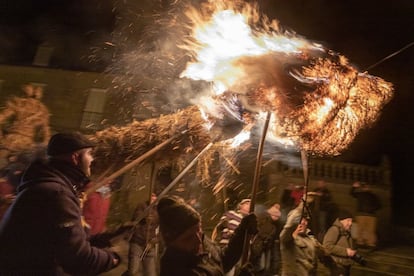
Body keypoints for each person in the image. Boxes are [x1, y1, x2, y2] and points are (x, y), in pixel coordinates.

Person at [0, 132, 120, 275]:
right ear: (75, 157)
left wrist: (104, 239)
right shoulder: (56, 193)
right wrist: (115, 258)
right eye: (89, 154)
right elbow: (78, 259)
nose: (92, 159)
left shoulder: (47, 185)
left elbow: (59, 239)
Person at [157, 195, 257, 276]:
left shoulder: (202, 242)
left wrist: (242, 232)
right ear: (172, 242)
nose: (198, 240)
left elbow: (223, 260)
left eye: (199, 230)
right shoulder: (174, 269)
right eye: (188, 238)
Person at [279, 194, 322, 276]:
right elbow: (289, 226)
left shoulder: (311, 239)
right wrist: (302, 206)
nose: (303, 223)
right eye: (300, 220)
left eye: (305, 220)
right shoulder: (287, 240)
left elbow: (324, 255)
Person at [123, 193, 159, 276]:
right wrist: (145, 217)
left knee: (151, 274)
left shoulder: (159, 211)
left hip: (149, 246)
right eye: (151, 195)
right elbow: (136, 218)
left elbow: (162, 230)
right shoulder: (142, 206)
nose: (152, 198)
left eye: (154, 196)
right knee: (133, 271)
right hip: (137, 242)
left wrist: (155, 240)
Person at [250, 202, 282, 275]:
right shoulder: (263, 218)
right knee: (259, 265)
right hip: (258, 245)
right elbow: (257, 230)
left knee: (264, 266)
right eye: (275, 207)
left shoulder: (276, 224)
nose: (277, 210)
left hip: (267, 247)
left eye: (278, 208)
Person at [322, 209, 357, 276]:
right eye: (348, 220)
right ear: (341, 221)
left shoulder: (346, 231)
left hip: (345, 265)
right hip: (337, 265)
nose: (350, 223)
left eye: (351, 221)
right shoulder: (334, 230)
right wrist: (345, 251)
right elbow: (327, 246)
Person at [350, 181, 381, 250]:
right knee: (367, 230)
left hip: (364, 214)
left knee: (365, 230)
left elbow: (351, 193)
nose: (365, 188)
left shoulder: (366, 195)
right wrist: (372, 209)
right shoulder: (371, 195)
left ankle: (364, 243)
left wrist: (354, 187)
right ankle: (367, 244)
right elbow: (379, 205)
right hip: (368, 214)